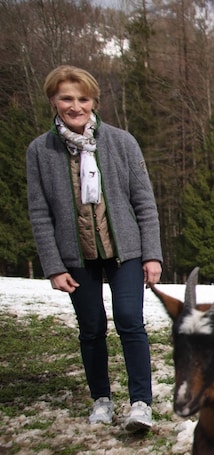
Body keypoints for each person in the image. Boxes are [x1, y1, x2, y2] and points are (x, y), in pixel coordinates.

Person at [26, 65, 163, 432]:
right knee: (91, 328)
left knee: (130, 321)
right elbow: (39, 214)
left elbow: (144, 203)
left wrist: (152, 254)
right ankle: (101, 399)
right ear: (53, 101)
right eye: (66, 98)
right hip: (76, 257)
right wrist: (53, 266)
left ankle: (140, 403)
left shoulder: (122, 142)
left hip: (127, 252)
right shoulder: (40, 151)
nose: (75, 106)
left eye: (82, 98)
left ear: (94, 101)